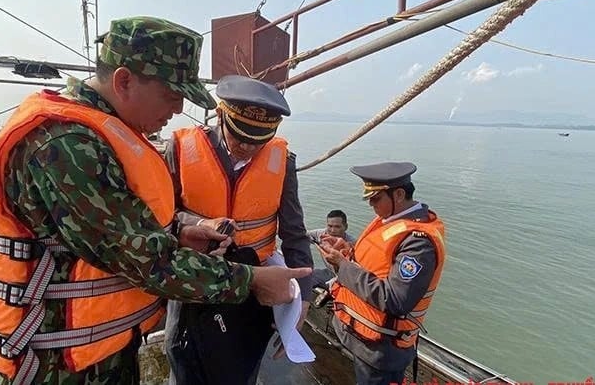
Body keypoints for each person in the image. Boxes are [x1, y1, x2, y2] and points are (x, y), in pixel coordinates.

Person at [0, 17, 310, 385]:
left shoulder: (101, 137)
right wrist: (251, 281)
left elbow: (118, 236)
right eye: (171, 95)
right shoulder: (65, 145)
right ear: (124, 81)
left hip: (95, 353)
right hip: (53, 366)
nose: (178, 107)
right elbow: (147, 260)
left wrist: (179, 234)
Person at [164, 74, 314, 385]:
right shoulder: (179, 148)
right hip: (195, 280)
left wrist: (305, 299)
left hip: (253, 283)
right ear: (221, 116)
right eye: (241, 137)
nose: (248, 147)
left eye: (259, 141)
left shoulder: (282, 161)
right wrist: (196, 225)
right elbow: (159, 218)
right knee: (183, 356)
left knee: (241, 363)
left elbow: (295, 232)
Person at [317, 162, 446, 385]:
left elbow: (395, 299)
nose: (370, 203)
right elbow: (376, 263)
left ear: (398, 194)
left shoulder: (418, 242)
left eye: (375, 198)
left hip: (381, 351)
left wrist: (342, 265)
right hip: (362, 338)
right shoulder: (387, 220)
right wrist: (345, 251)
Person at [307, 210, 356, 288]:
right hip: (329, 273)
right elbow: (300, 235)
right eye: (330, 226)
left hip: (347, 279)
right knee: (304, 277)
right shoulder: (320, 235)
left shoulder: (352, 244)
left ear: (346, 227)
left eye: (337, 227)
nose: (333, 231)